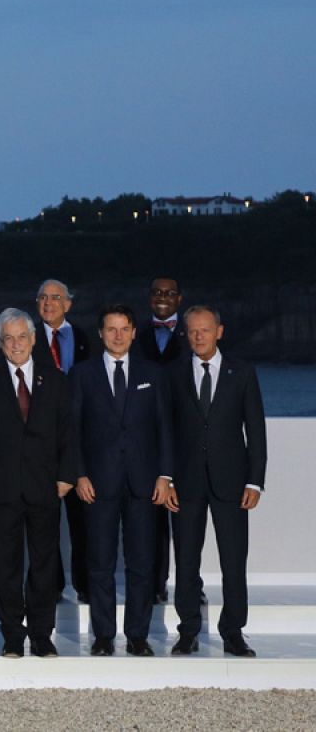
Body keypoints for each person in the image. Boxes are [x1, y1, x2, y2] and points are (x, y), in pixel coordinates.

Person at [0, 309, 76, 658]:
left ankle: (41, 635)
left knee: (44, 564)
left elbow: (68, 431)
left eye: (21, 337)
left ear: (33, 339)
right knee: (4, 565)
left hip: (44, 486)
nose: (16, 344)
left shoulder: (55, 379)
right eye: (8, 339)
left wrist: (67, 475)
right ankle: (12, 634)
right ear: (0, 343)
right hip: (1, 486)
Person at [69, 304, 176, 657]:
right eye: (111, 329)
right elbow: (73, 430)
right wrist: (79, 473)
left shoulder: (153, 373)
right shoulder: (82, 374)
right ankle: (103, 636)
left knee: (141, 563)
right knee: (99, 563)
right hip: (97, 483)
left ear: (133, 333)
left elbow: (164, 427)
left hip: (143, 483)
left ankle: (137, 636)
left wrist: (165, 475)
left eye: (124, 329)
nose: (117, 335)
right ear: (101, 333)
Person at [169, 305, 266, 658]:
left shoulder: (242, 372)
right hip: (186, 483)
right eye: (193, 331)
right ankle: (188, 631)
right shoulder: (174, 372)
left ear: (219, 332)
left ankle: (233, 632)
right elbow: (166, 429)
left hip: (232, 483)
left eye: (205, 330)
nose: (199, 336)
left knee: (233, 561)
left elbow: (255, 429)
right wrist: (166, 478)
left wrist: (255, 481)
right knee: (186, 561)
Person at [32, 278, 95, 603]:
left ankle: (85, 584)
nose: (48, 303)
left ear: (68, 304)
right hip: (42, 442)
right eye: (43, 297)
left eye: (55, 297)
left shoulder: (86, 338)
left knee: (83, 520)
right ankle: (51, 585)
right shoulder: (27, 338)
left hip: (81, 442)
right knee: (45, 522)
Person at [135, 276, 185, 604]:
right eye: (156, 292)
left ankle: (189, 586)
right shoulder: (135, 334)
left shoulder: (193, 333)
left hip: (187, 440)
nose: (162, 297)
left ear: (179, 299)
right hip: (147, 440)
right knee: (152, 520)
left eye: (169, 293)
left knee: (186, 521)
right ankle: (156, 584)